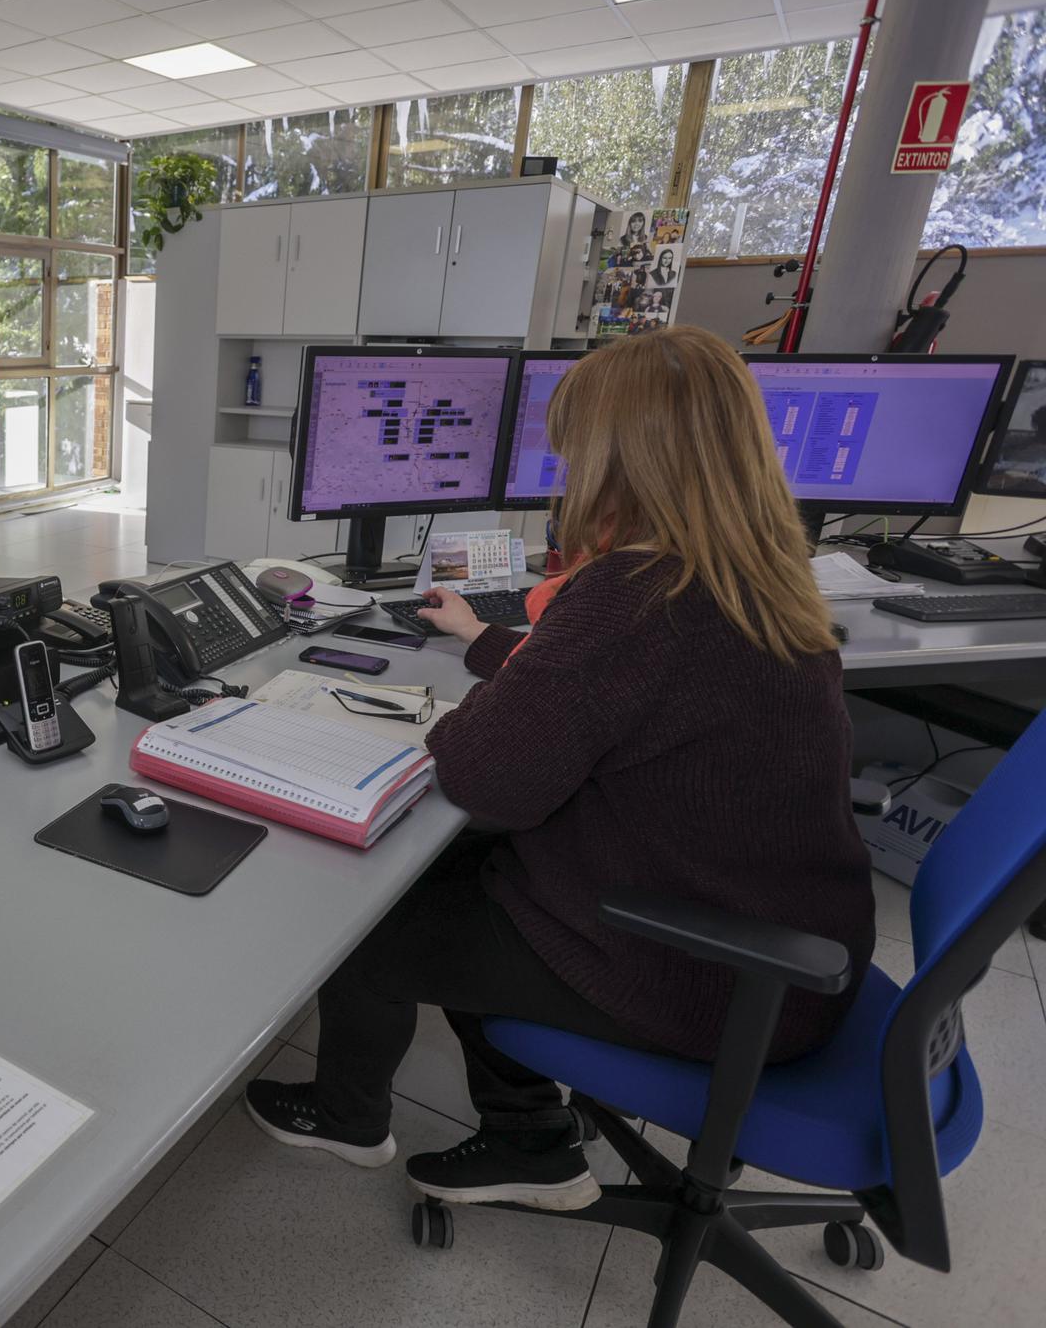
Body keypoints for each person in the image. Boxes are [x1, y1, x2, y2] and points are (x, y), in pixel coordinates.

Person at [246, 326, 874, 1211]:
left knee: (376, 918)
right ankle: (529, 1139)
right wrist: (491, 643)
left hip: (710, 974)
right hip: (787, 948)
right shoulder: (756, 572)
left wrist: (489, 703)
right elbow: (625, 690)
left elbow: (484, 777)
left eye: (577, 455)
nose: (567, 474)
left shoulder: (634, 592)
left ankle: (348, 1117)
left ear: (624, 464)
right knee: (479, 874)